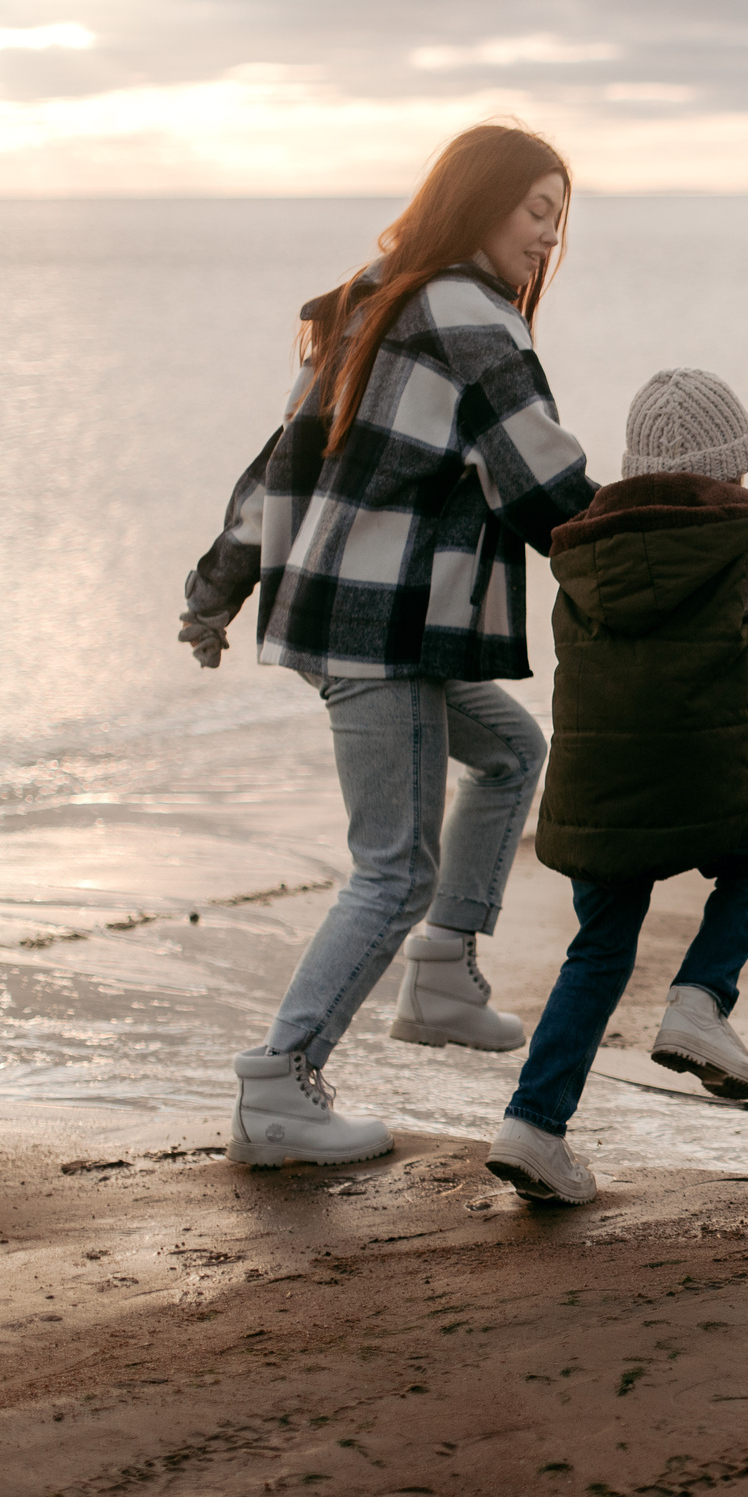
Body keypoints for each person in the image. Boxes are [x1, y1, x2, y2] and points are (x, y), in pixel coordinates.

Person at [179, 123, 598, 1169]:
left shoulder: (370, 295)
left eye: (560, 218)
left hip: (337, 618)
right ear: (476, 202)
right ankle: (281, 1082)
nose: (548, 238)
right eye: (533, 211)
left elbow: (280, 468)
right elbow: (545, 484)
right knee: (392, 869)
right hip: (386, 633)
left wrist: (213, 590)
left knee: (509, 753)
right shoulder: (467, 312)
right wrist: (655, 563)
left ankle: (443, 978)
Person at [482, 368, 748, 1204]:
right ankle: (699, 1002)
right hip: (699, 782)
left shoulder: (582, 542)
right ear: (729, 467)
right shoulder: (747, 537)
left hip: (596, 791)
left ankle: (531, 1125)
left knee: (597, 950)